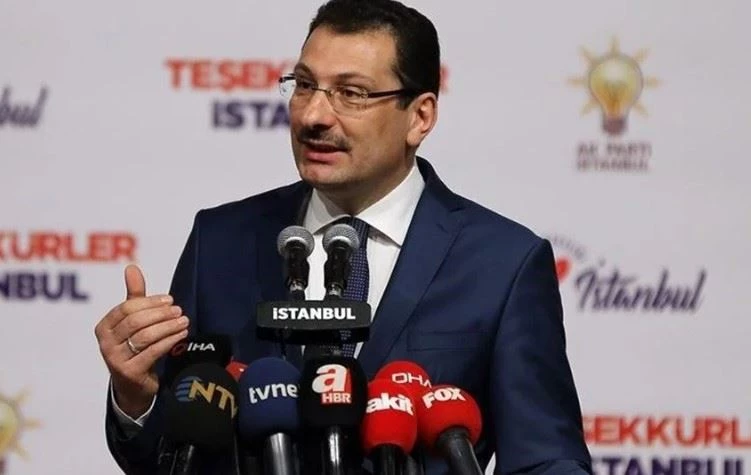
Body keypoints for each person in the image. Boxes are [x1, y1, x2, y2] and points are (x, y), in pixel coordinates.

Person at [94, 0, 592, 473]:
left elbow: (544, 458)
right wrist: (136, 396)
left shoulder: (503, 265)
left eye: (351, 93)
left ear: (420, 117)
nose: (313, 116)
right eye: (304, 85)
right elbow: (170, 455)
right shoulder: (220, 242)